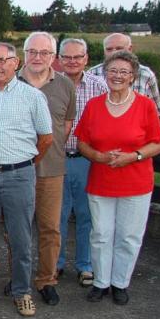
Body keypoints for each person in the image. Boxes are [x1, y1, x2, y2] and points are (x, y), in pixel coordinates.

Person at [0, 42, 53, 317]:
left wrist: (25, 164)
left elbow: (46, 138)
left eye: (2, 60)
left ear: (16, 63)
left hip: (19, 175)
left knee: (20, 237)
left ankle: (22, 291)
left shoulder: (32, 97)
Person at [76, 50, 160, 305]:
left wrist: (133, 156)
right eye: (112, 71)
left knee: (128, 236)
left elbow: (158, 143)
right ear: (105, 74)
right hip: (102, 180)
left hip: (136, 183)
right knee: (101, 233)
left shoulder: (145, 106)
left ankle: (120, 283)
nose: (117, 76)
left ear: (132, 76)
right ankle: (101, 282)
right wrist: (100, 157)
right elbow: (82, 143)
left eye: (123, 72)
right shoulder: (94, 106)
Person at [18, 32, 76, 307]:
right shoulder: (10, 82)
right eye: (33, 52)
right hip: (16, 169)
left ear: (53, 57)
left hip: (51, 168)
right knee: (17, 229)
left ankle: (46, 280)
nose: (37, 57)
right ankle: (18, 279)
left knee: (50, 228)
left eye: (44, 53)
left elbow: (65, 124)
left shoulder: (64, 85)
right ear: (24, 53)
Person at [56, 38, 107, 287]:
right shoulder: (51, 84)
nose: (72, 61)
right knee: (57, 215)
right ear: (60, 59)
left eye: (77, 57)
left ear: (86, 59)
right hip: (57, 159)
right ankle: (55, 263)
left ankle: (85, 265)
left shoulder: (99, 87)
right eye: (67, 57)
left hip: (87, 160)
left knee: (87, 215)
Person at [87, 33, 160, 116]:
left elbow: (155, 114)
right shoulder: (92, 74)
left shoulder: (146, 75)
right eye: (109, 49)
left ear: (130, 49)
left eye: (119, 48)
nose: (114, 52)